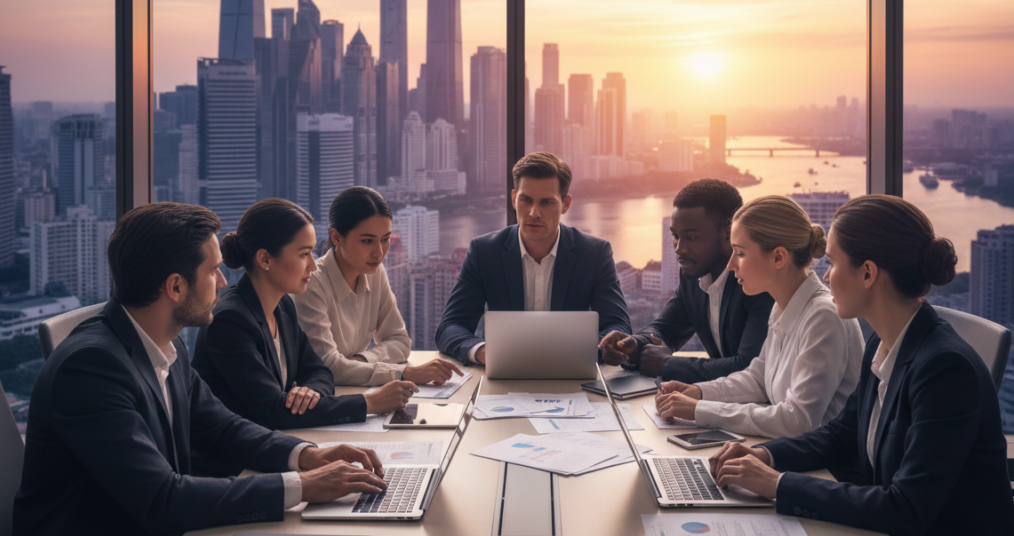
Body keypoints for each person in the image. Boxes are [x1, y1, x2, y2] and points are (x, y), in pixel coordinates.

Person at [6, 203, 387, 536]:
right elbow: (161, 499)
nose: (223, 282)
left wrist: (306, 455)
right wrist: (303, 487)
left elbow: (223, 429)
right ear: (175, 286)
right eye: (212, 271)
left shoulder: (166, 347)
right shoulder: (90, 368)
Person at [710, 195, 1014, 536]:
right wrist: (766, 454)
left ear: (868, 273)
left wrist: (777, 484)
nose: (824, 276)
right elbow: (844, 433)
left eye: (833, 263)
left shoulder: (944, 369)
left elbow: (907, 507)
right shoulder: (885, 342)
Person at [192, 199, 417, 432]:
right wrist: (369, 402)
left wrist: (311, 392)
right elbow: (273, 411)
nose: (312, 265)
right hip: (233, 463)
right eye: (303, 254)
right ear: (265, 259)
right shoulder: (230, 322)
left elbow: (319, 370)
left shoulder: (283, 307)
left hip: (278, 439)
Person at [654, 195, 863, 437]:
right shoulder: (783, 307)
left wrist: (701, 409)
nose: (731, 264)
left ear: (778, 257)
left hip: (828, 468)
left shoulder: (823, 318)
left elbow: (798, 420)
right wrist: (697, 392)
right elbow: (758, 379)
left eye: (740, 253)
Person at [435, 152, 631, 365]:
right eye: (525, 200)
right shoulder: (484, 252)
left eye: (546, 202)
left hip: (571, 374)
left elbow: (618, 325)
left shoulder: (594, 253)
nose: (533, 213)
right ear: (513, 199)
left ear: (565, 204)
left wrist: (596, 347)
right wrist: (483, 351)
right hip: (503, 372)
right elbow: (451, 326)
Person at [599, 179, 774, 382]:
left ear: (729, 233)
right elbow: (666, 329)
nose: (679, 248)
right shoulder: (694, 276)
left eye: (691, 238)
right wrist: (632, 346)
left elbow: (749, 367)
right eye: (676, 236)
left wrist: (668, 364)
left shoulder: (759, 284)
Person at [294, 186, 463, 387]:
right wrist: (403, 373)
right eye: (367, 241)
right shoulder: (311, 283)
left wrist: (363, 361)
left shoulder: (375, 273)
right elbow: (328, 367)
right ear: (336, 237)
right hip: (316, 397)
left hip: (352, 390)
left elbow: (399, 341)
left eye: (385, 239)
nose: (379, 252)